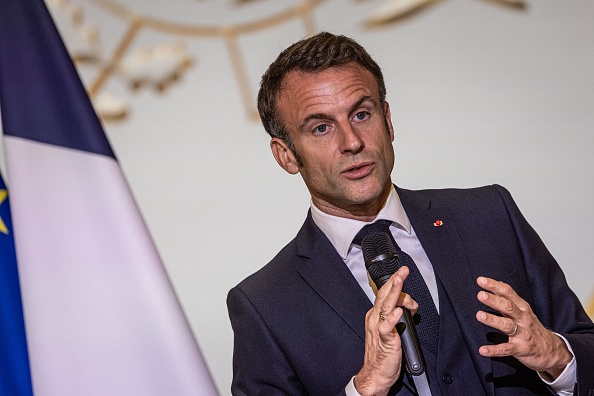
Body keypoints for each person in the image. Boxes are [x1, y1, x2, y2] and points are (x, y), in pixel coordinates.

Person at [226, 32, 594, 396]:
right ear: (286, 155)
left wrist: (558, 357)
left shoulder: (491, 215)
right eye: (321, 127)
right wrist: (365, 388)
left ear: (387, 120)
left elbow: (584, 342)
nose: (352, 142)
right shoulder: (264, 305)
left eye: (361, 114)